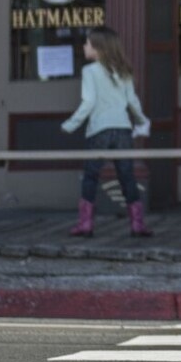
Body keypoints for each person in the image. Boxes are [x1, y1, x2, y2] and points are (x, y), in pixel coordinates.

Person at [61, 25, 152, 237]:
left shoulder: (89, 71)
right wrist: (141, 121)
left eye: (87, 43)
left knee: (91, 175)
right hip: (122, 130)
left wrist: (71, 124)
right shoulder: (124, 70)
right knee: (127, 176)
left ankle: (86, 224)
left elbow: (89, 102)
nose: (84, 46)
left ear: (98, 48)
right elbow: (132, 102)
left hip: (99, 130)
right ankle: (137, 224)